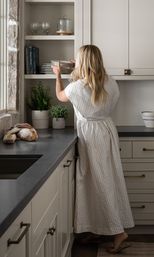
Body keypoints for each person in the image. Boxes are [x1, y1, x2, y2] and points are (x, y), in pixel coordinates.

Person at [52, 45, 134, 254]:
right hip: (106, 130)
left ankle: (117, 232)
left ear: (81, 62)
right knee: (106, 179)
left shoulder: (75, 87)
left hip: (90, 135)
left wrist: (59, 74)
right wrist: (77, 69)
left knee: (98, 181)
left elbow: (61, 96)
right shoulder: (111, 83)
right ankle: (99, 228)